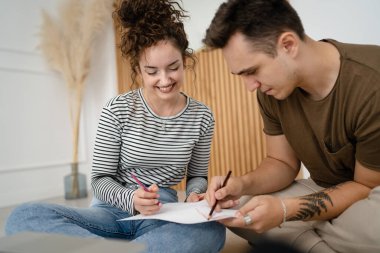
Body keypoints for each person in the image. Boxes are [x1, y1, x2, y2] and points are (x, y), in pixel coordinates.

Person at [5, 0, 225, 252]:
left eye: (172, 68)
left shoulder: (201, 116)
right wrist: (131, 198)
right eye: (152, 71)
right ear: (138, 70)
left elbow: (197, 176)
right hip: (110, 213)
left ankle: (110, 249)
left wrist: (194, 194)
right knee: (23, 217)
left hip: (163, 213)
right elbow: (99, 180)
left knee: (211, 230)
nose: (164, 80)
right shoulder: (117, 110)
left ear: (184, 61)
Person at [202, 0, 380, 253]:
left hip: (371, 192)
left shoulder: (372, 82)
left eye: (252, 71)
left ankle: (303, 242)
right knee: (238, 209)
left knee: (375, 229)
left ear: (288, 45)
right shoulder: (270, 92)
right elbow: (282, 163)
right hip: (324, 187)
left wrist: (287, 211)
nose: (249, 86)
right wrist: (240, 185)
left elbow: (365, 186)